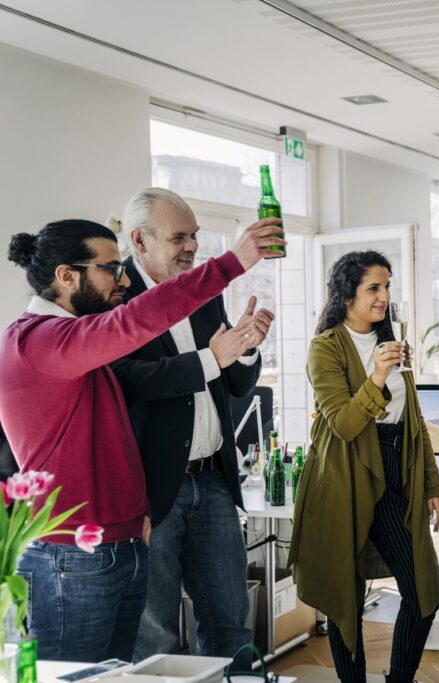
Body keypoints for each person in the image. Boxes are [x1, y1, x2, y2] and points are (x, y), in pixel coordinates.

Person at [0, 216, 282, 661]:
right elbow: (137, 320)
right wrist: (233, 262)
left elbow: (113, 439)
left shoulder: (75, 343)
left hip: (120, 541)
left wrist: (137, 513)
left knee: (126, 671)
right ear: (67, 276)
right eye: (111, 269)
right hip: (71, 555)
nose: (124, 278)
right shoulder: (39, 341)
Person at [108, 188, 274, 665]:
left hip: (214, 483)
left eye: (196, 236)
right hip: (152, 492)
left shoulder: (203, 293)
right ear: (138, 240)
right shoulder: (116, 298)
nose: (192, 247)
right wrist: (209, 360)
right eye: (179, 237)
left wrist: (245, 348)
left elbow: (235, 383)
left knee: (231, 621)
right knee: (155, 633)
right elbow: (126, 381)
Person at [288, 251, 439, 683]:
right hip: (345, 479)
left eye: (388, 286)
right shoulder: (325, 348)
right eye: (373, 288)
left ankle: (400, 679)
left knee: (424, 593)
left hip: (397, 473)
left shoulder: (392, 342)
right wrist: (375, 376)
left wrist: (433, 484)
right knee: (346, 601)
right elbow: (341, 424)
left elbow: (412, 423)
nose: (384, 296)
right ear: (346, 296)